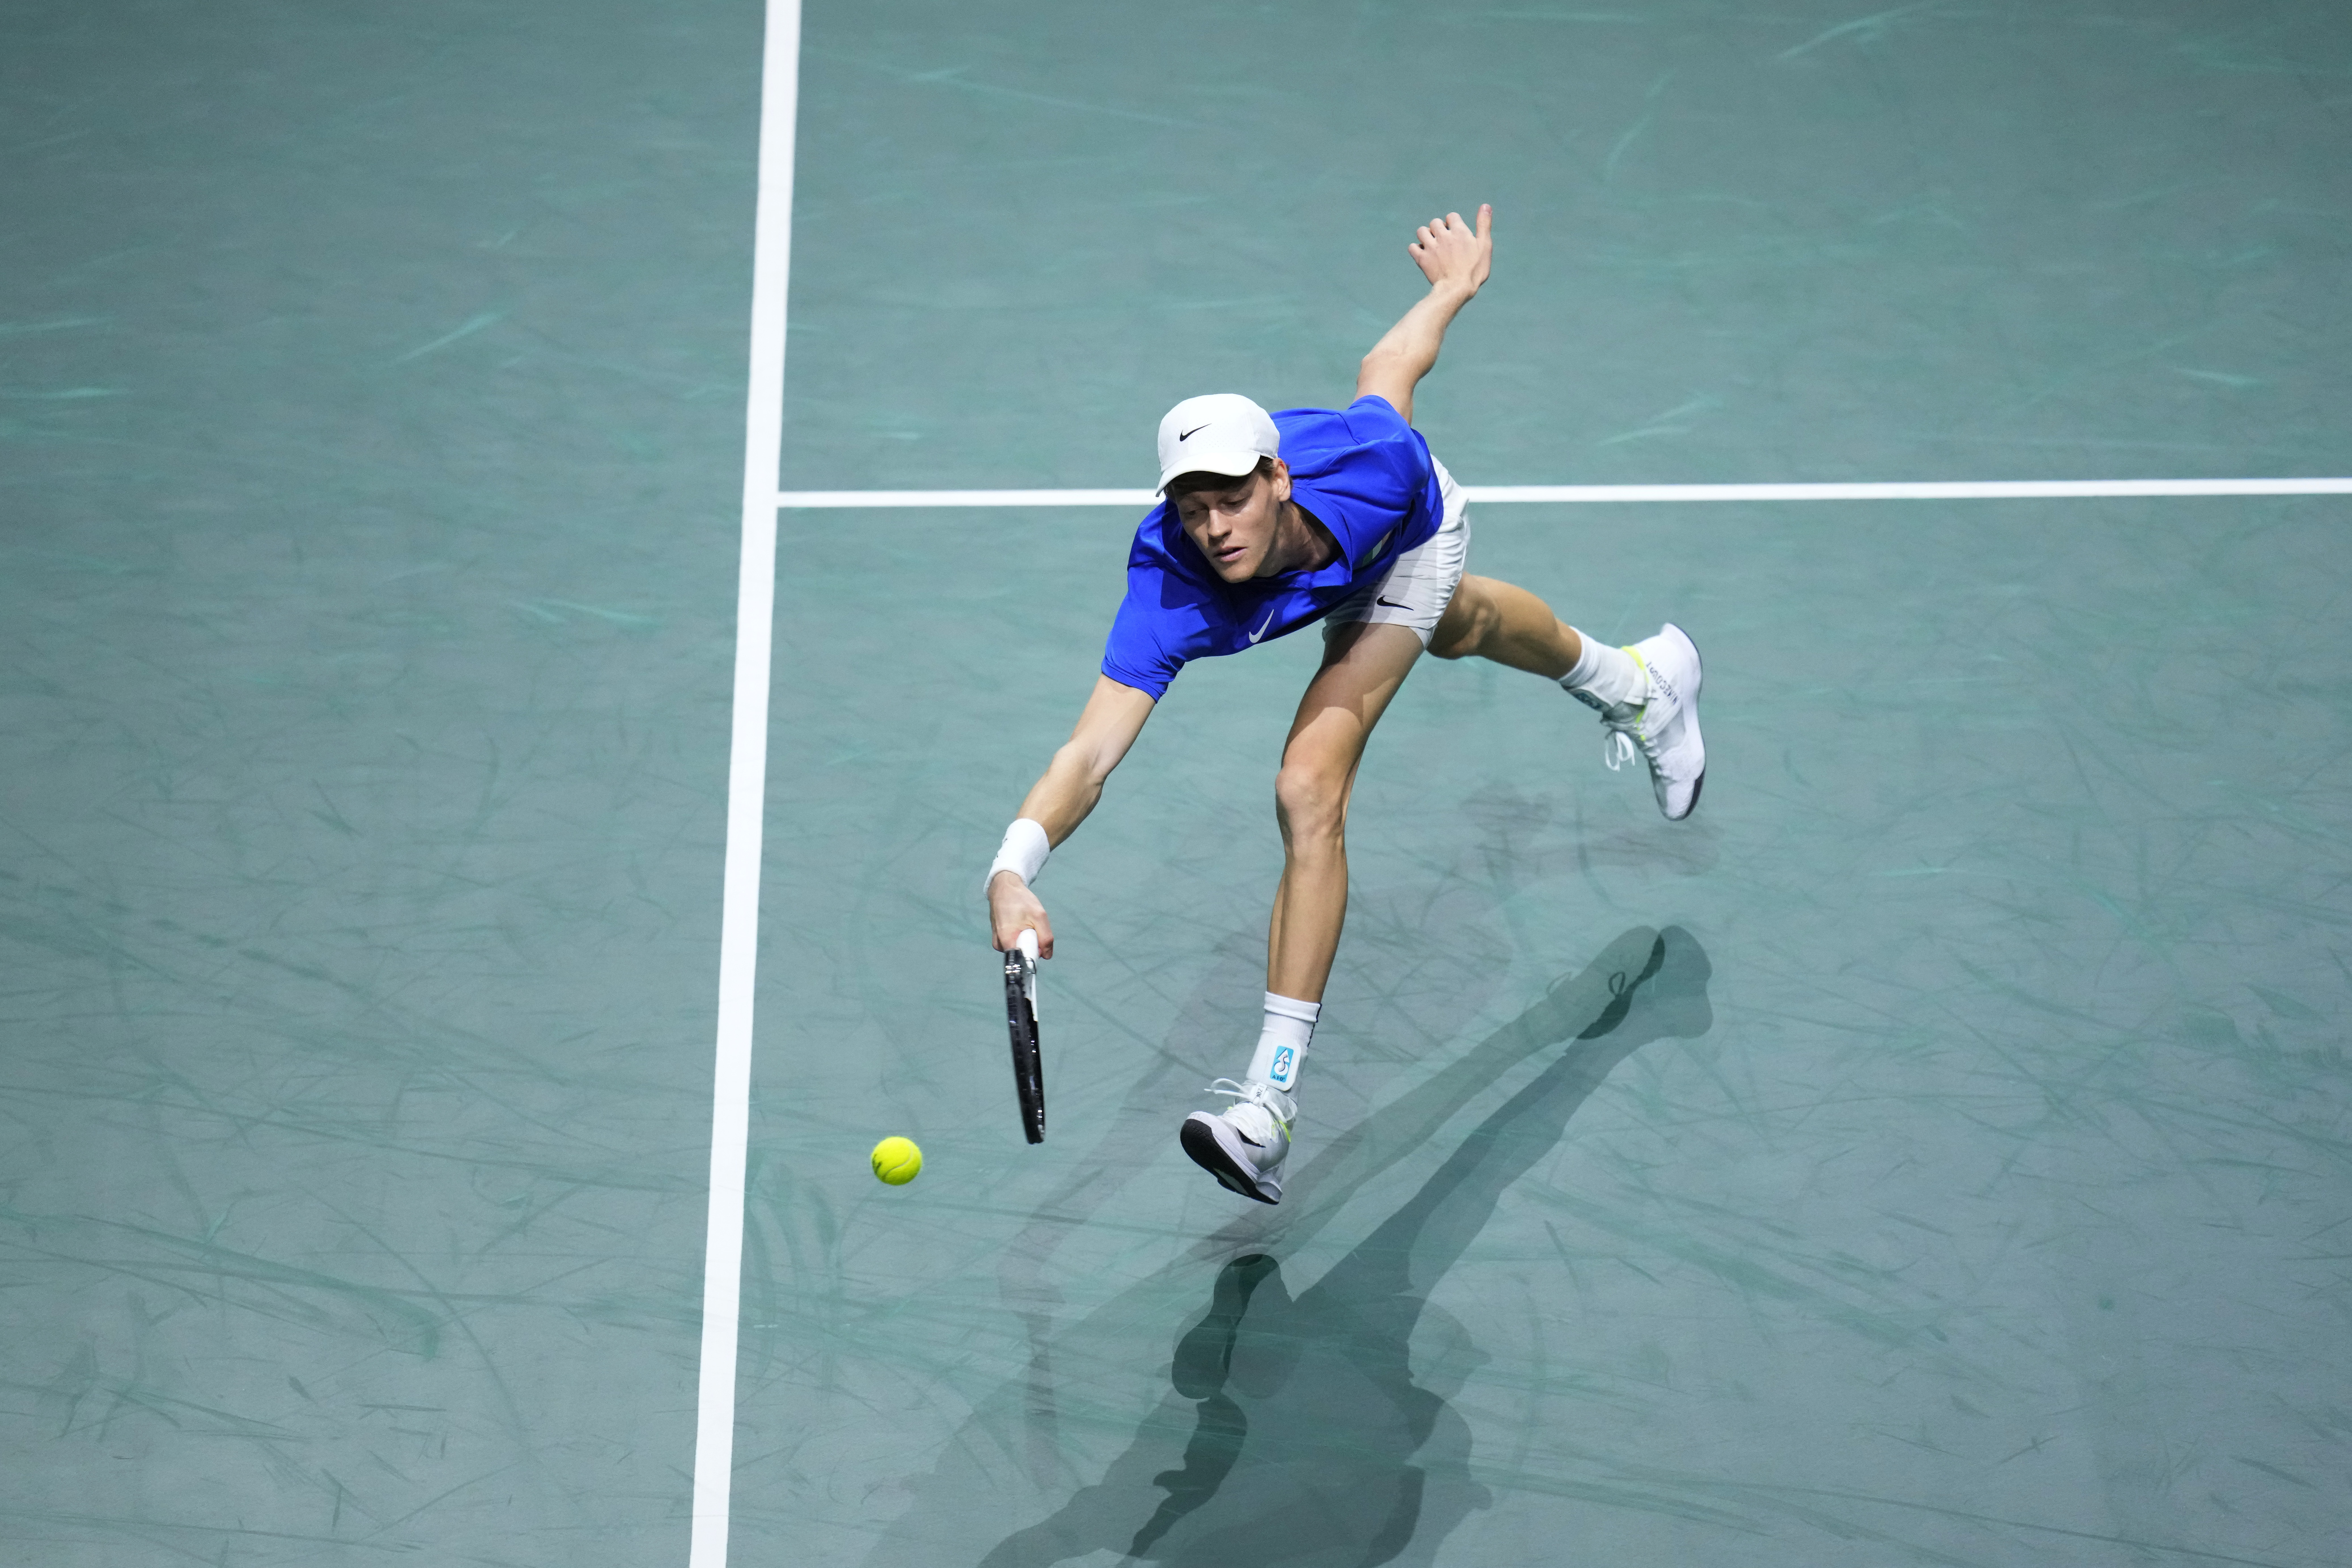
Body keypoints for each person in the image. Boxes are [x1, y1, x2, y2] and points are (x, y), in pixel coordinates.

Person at [982, 205, 1704, 1204]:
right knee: (1467, 630)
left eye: (1231, 497)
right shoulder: (1171, 582)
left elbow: (1387, 370)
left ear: (1275, 478)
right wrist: (1015, 865)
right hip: (1346, 580)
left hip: (1405, 540)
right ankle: (1641, 682)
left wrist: (1450, 289)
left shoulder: (1371, 468)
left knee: (1306, 784)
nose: (1213, 526)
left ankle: (1268, 1107)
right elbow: (1089, 755)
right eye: (1190, 508)